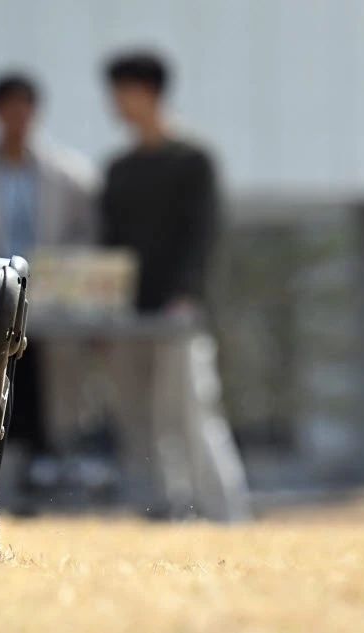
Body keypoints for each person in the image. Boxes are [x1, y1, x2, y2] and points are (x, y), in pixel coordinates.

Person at [99, 50, 251, 521]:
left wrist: (186, 296)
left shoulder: (193, 160)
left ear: (147, 92)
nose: (115, 103)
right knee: (138, 417)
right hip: (127, 318)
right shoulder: (119, 168)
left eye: (121, 92)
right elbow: (110, 243)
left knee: (190, 411)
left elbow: (202, 236)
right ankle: (160, 510)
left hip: (180, 316)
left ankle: (225, 513)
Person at [0, 73, 98, 504]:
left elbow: (88, 237)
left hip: (55, 305)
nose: (16, 117)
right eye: (8, 107)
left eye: (23, 107)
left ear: (35, 111)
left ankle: (55, 482)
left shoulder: (71, 176)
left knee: (55, 399)